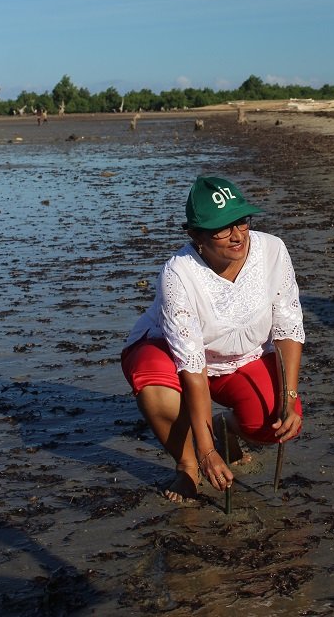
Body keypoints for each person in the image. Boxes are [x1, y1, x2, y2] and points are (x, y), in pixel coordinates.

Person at [121, 175, 305, 503]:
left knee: (274, 423)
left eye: (241, 222)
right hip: (173, 356)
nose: (236, 236)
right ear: (196, 236)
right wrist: (205, 453)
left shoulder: (272, 250)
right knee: (156, 392)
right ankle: (186, 467)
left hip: (242, 356)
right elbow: (192, 367)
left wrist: (290, 396)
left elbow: (288, 326)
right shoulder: (178, 273)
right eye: (222, 228)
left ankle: (223, 427)